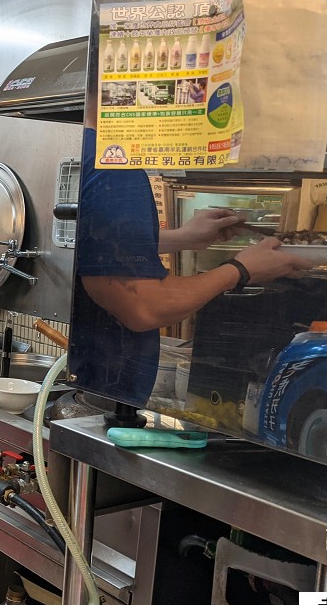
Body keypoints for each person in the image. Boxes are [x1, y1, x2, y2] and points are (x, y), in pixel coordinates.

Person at [68, 136, 312, 406]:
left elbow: (98, 246)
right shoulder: (116, 163)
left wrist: (184, 237)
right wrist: (241, 270)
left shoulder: (88, 146)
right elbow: (143, 305)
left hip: (91, 384)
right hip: (102, 394)